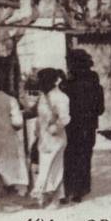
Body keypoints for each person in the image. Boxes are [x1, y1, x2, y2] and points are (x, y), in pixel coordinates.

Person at [62, 49, 104, 204]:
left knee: (70, 157)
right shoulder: (95, 83)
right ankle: (81, 189)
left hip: (71, 126)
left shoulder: (67, 84)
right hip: (88, 125)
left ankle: (69, 189)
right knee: (84, 156)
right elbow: (100, 109)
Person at [32, 67, 71, 208]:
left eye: (42, 81)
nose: (40, 84)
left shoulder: (61, 97)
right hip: (44, 138)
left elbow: (65, 118)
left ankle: (54, 199)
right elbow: (39, 117)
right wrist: (37, 130)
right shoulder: (43, 97)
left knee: (54, 167)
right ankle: (48, 197)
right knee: (45, 167)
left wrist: (55, 128)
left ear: (51, 82)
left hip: (56, 138)